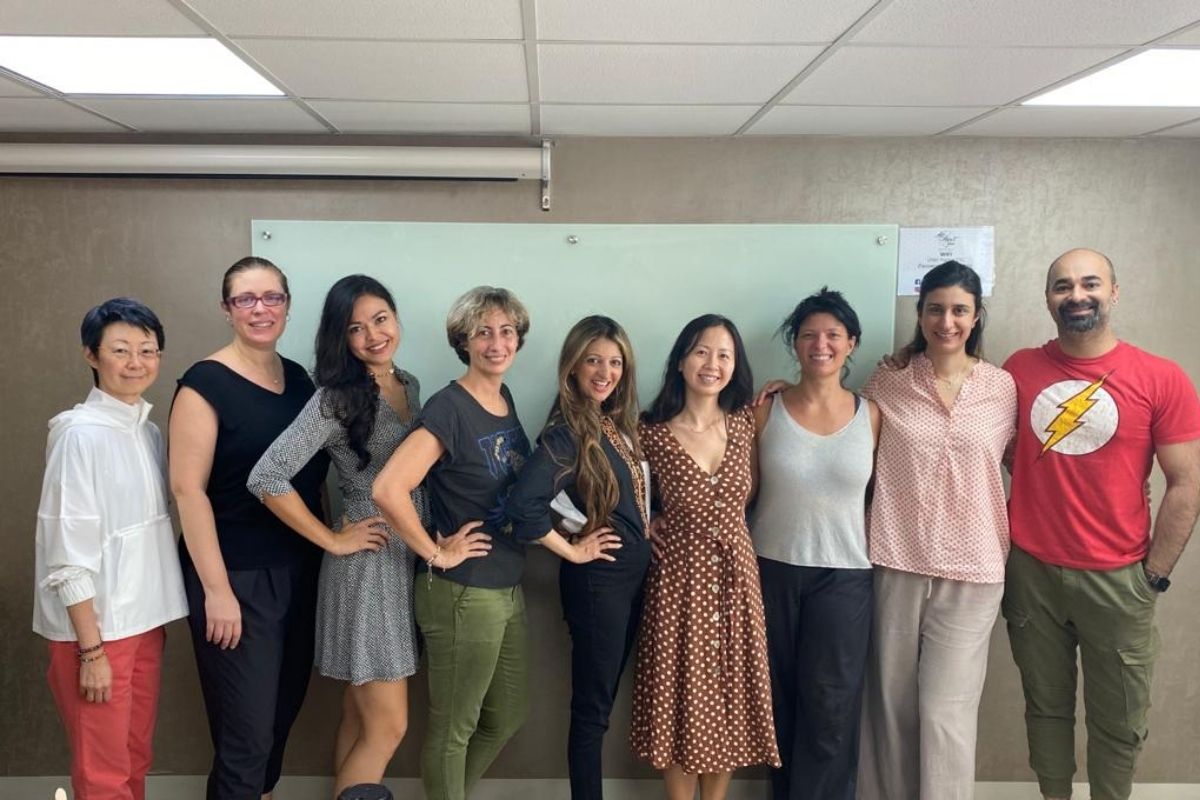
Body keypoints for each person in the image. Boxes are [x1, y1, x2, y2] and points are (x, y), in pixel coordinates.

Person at [1002, 248, 1200, 800]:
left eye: (1090, 283)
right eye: (1062, 286)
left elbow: (1187, 483)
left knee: (1119, 721)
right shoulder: (1017, 369)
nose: (1077, 295)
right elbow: (994, 441)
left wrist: (1153, 576)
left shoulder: (1161, 377)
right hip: (1031, 573)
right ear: (1048, 299)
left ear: (1114, 292)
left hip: (1120, 579)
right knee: (1045, 710)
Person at [247, 275, 427, 795]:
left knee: (359, 713)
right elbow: (266, 475)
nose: (373, 335)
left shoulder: (410, 384)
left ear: (396, 318)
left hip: (404, 560)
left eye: (380, 319)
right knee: (388, 726)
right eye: (356, 328)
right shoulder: (334, 399)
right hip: (368, 567)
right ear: (340, 338)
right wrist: (331, 539)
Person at [169, 256, 331, 800]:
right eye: (246, 299)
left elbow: (310, 479)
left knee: (280, 718)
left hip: (299, 569)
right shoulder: (203, 384)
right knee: (247, 735)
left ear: (287, 304)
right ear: (227, 308)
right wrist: (216, 591)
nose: (260, 309)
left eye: (272, 297)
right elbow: (188, 491)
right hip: (235, 577)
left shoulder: (301, 380)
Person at [855, 261, 1016, 800]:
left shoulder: (1003, 388)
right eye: (935, 309)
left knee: (946, 712)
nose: (947, 321)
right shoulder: (888, 380)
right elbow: (840, 429)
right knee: (890, 706)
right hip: (895, 559)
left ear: (976, 316)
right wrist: (788, 394)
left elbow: (1032, 464)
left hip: (975, 571)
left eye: (959, 310)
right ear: (920, 314)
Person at [372, 286, 532, 800]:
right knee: (453, 728)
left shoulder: (502, 399)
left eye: (506, 331)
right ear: (463, 341)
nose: (496, 343)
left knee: (507, 715)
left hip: (506, 582)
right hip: (462, 590)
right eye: (483, 332)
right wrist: (437, 552)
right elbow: (388, 488)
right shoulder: (450, 407)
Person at [33, 298, 188, 800]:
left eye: (148, 350)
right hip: (96, 631)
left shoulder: (148, 432)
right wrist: (91, 651)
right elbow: (65, 550)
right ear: (92, 355)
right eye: (120, 350)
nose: (135, 362)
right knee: (102, 772)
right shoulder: (78, 436)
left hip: (143, 623)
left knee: (134, 757)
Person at [632, 314, 780, 800]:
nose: (711, 363)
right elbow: (625, 496)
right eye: (700, 351)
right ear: (680, 361)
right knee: (682, 702)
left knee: (729, 701)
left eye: (723, 355)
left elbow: (753, 491)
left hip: (738, 583)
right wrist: (647, 522)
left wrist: (783, 386)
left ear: (735, 366)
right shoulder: (649, 433)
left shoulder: (746, 422)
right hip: (679, 585)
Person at [508, 315, 651, 800]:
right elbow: (522, 506)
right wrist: (571, 548)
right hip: (598, 585)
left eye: (615, 363)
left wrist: (647, 523)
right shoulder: (566, 433)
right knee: (592, 710)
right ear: (573, 366)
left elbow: (626, 497)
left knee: (602, 704)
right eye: (593, 360)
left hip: (631, 580)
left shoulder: (614, 424)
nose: (605, 372)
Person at [750, 289, 879, 800]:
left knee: (832, 708)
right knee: (778, 703)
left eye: (832, 335)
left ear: (851, 343)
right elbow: (741, 493)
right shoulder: (765, 411)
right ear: (795, 344)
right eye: (808, 335)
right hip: (771, 570)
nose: (820, 345)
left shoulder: (873, 415)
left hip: (845, 576)